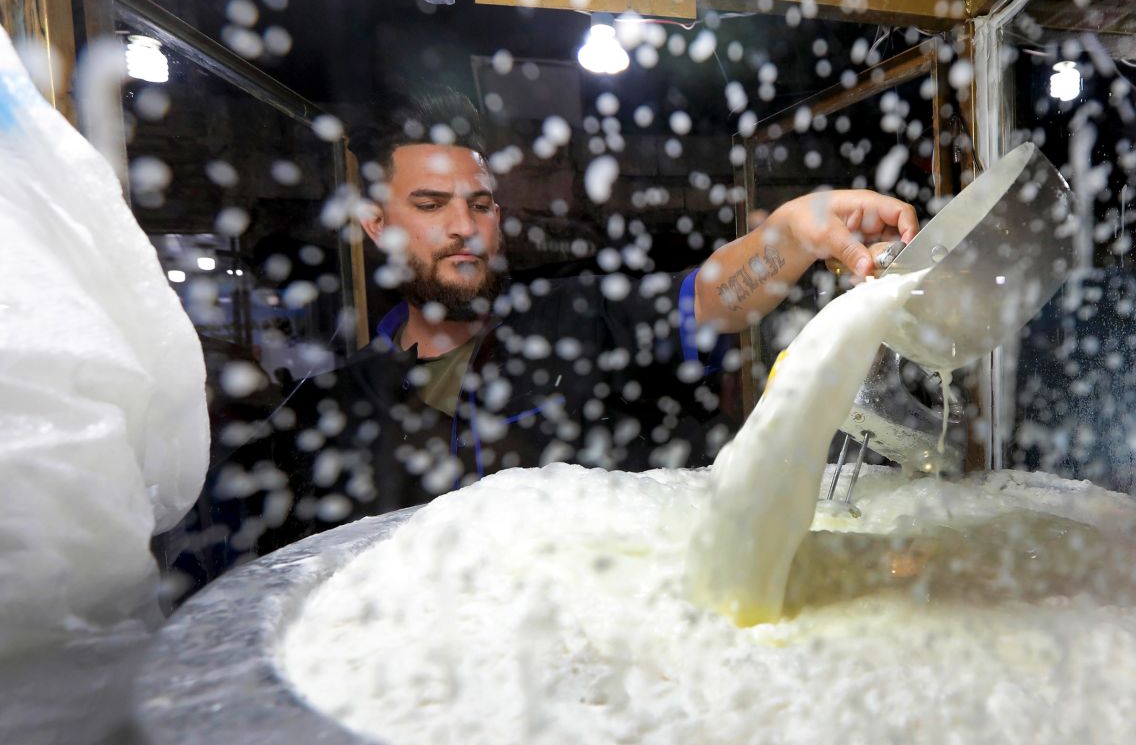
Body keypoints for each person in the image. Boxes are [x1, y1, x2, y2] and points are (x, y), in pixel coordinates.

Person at [223, 88, 918, 555]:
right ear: (377, 225)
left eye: (483, 204)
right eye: (432, 204)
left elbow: (712, 298)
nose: (465, 226)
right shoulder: (333, 411)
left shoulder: (572, 319)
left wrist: (795, 232)